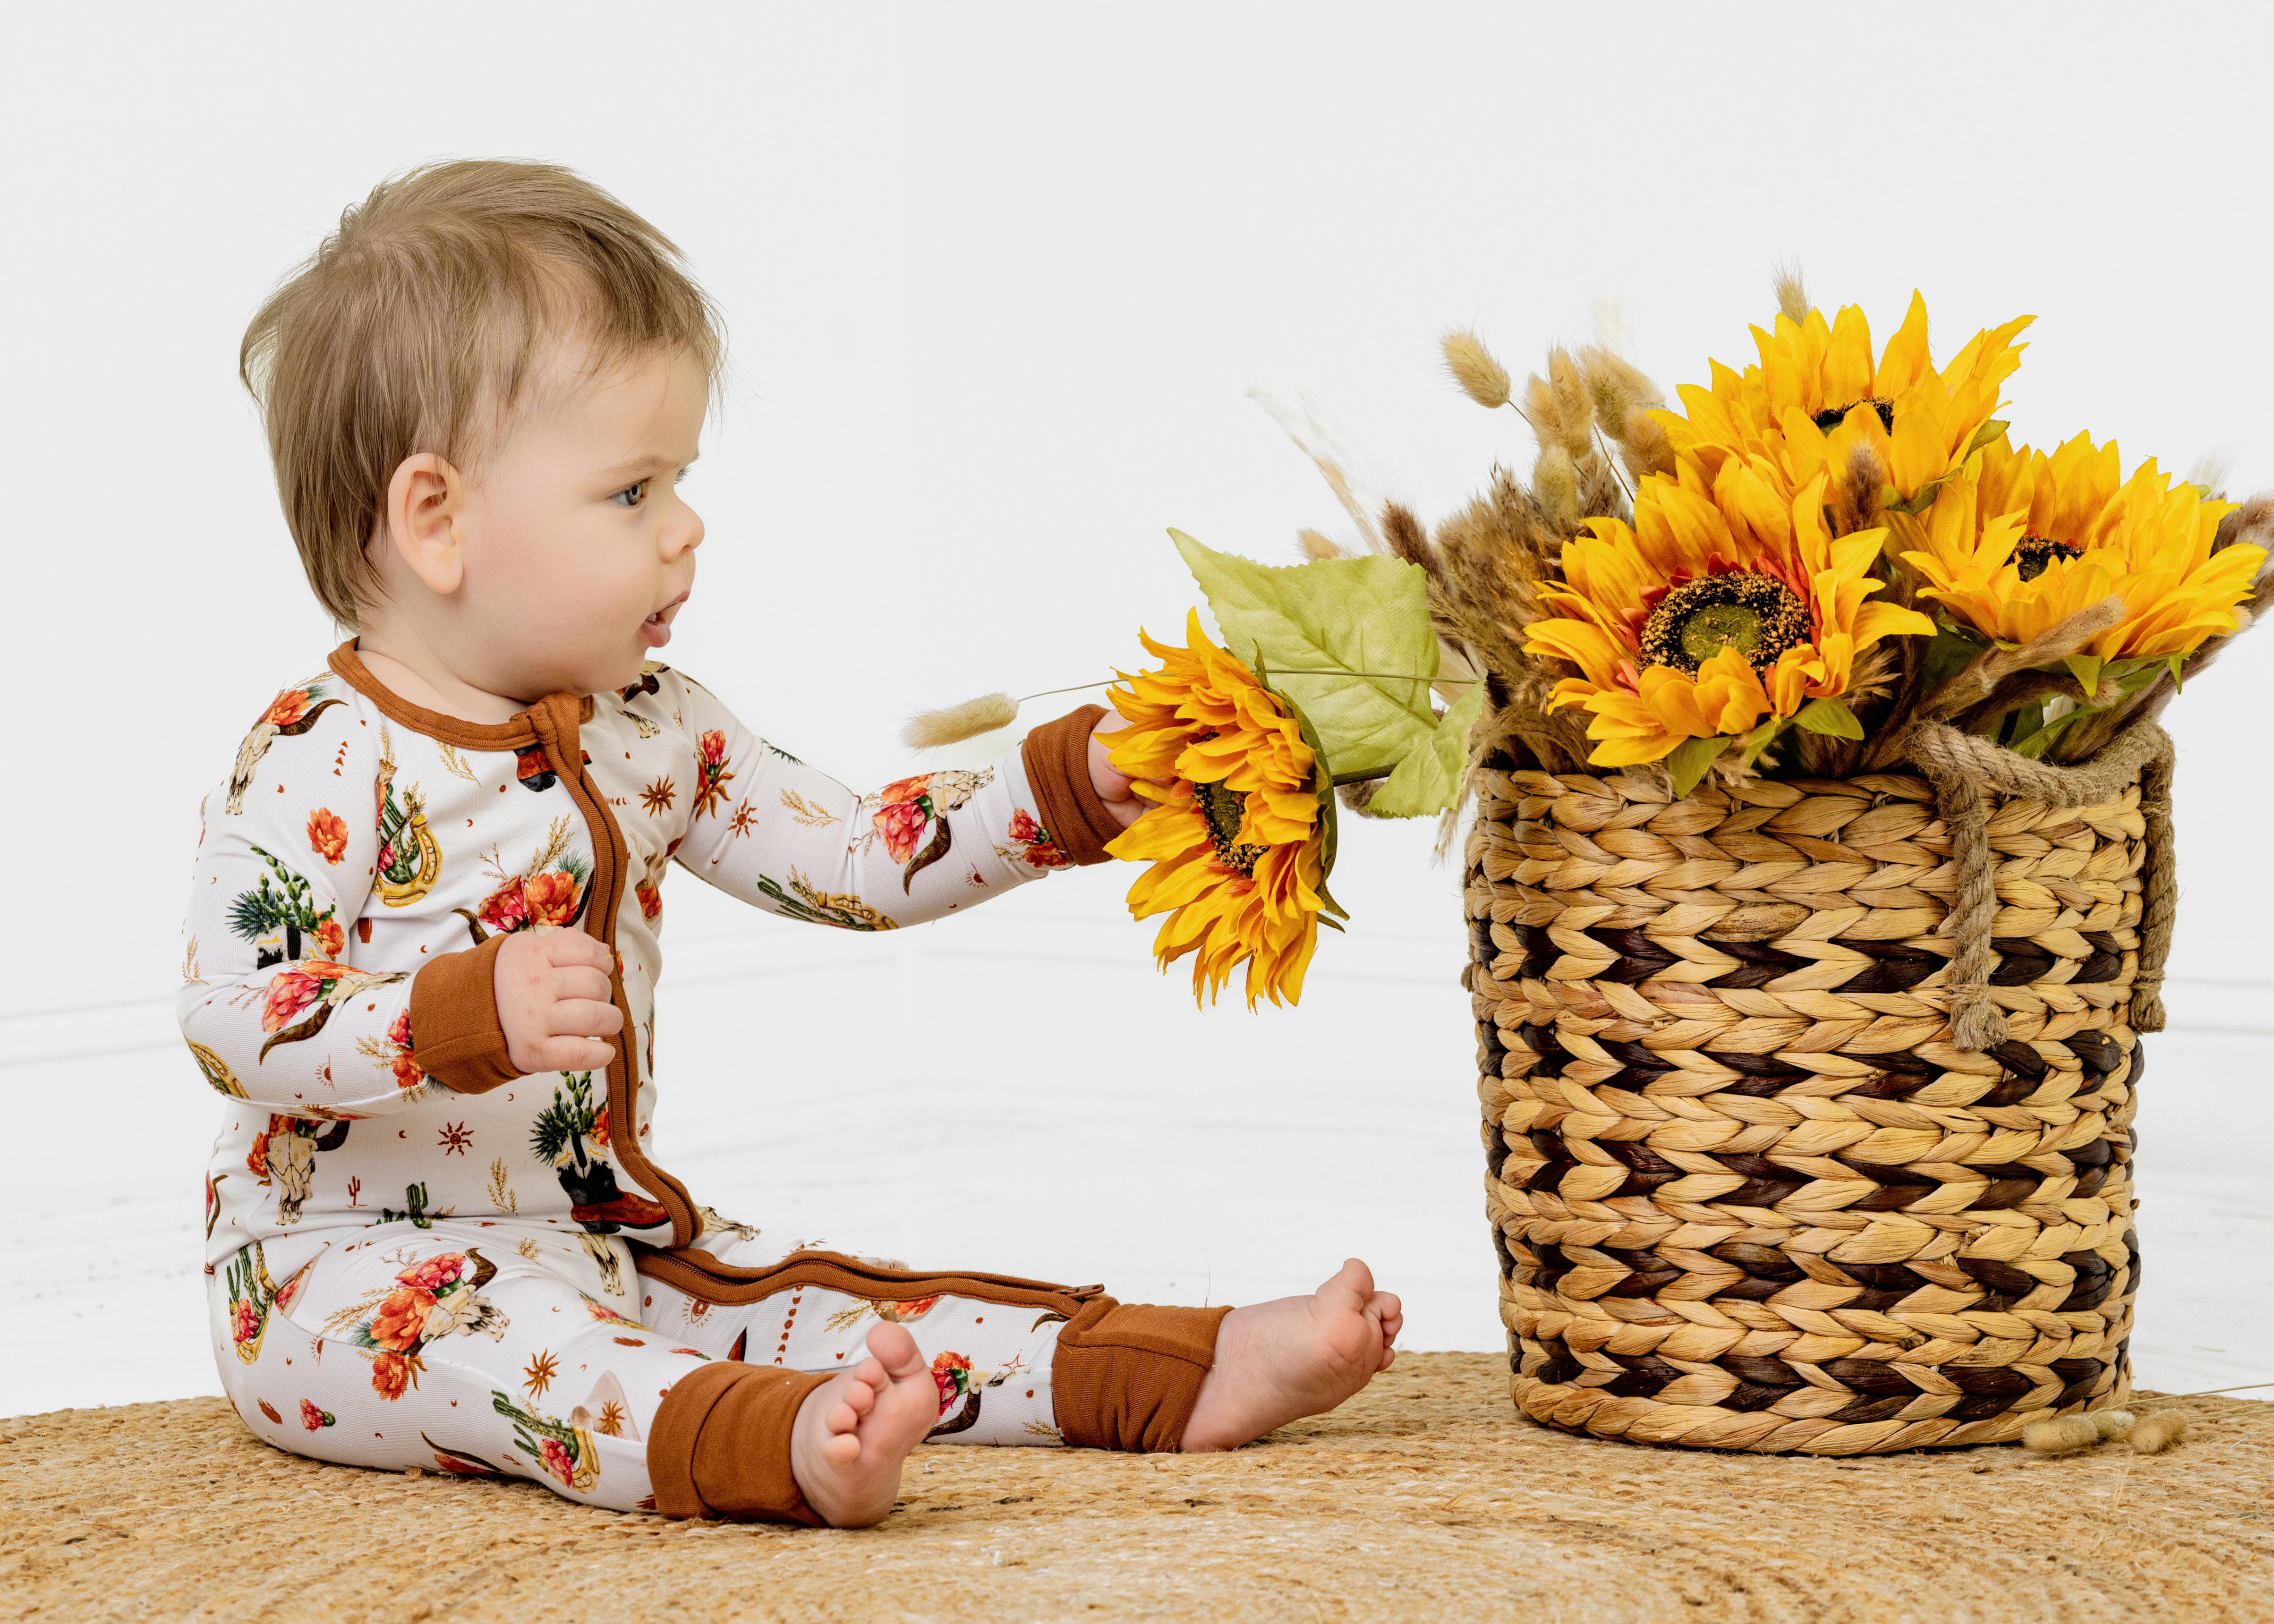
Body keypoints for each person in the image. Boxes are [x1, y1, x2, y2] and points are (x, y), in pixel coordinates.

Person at [186, 160, 1401, 1526]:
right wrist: (465, 1011)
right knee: (537, 1371)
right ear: (437, 520)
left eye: (680, 481)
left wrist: (1070, 783)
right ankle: (770, 1450)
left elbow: (854, 860)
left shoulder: (656, 727)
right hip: (333, 1283)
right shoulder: (320, 754)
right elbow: (235, 1016)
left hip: (607, 1238)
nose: (688, 528)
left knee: (835, 1301)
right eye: (633, 492)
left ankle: (1168, 1370)